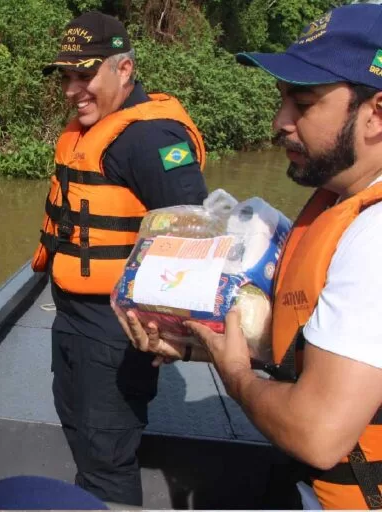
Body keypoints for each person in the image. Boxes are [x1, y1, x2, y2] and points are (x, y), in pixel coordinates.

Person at [119, 3, 382, 509]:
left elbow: (317, 433)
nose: (279, 122)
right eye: (282, 99)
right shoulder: (344, 200)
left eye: (302, 104)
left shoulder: (374, 239)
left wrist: (236, 375)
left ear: (377, 114)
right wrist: (202, 343)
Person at [31, 10, 208, 506]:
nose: (72, 90)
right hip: (73, 317)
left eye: (85, 75)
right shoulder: (95, 128)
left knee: (107, 457)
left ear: (124, 70)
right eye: (67, 76)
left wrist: (163, 327)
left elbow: (193, 234)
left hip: (114, 331)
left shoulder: (151, 139)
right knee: (84, 437)